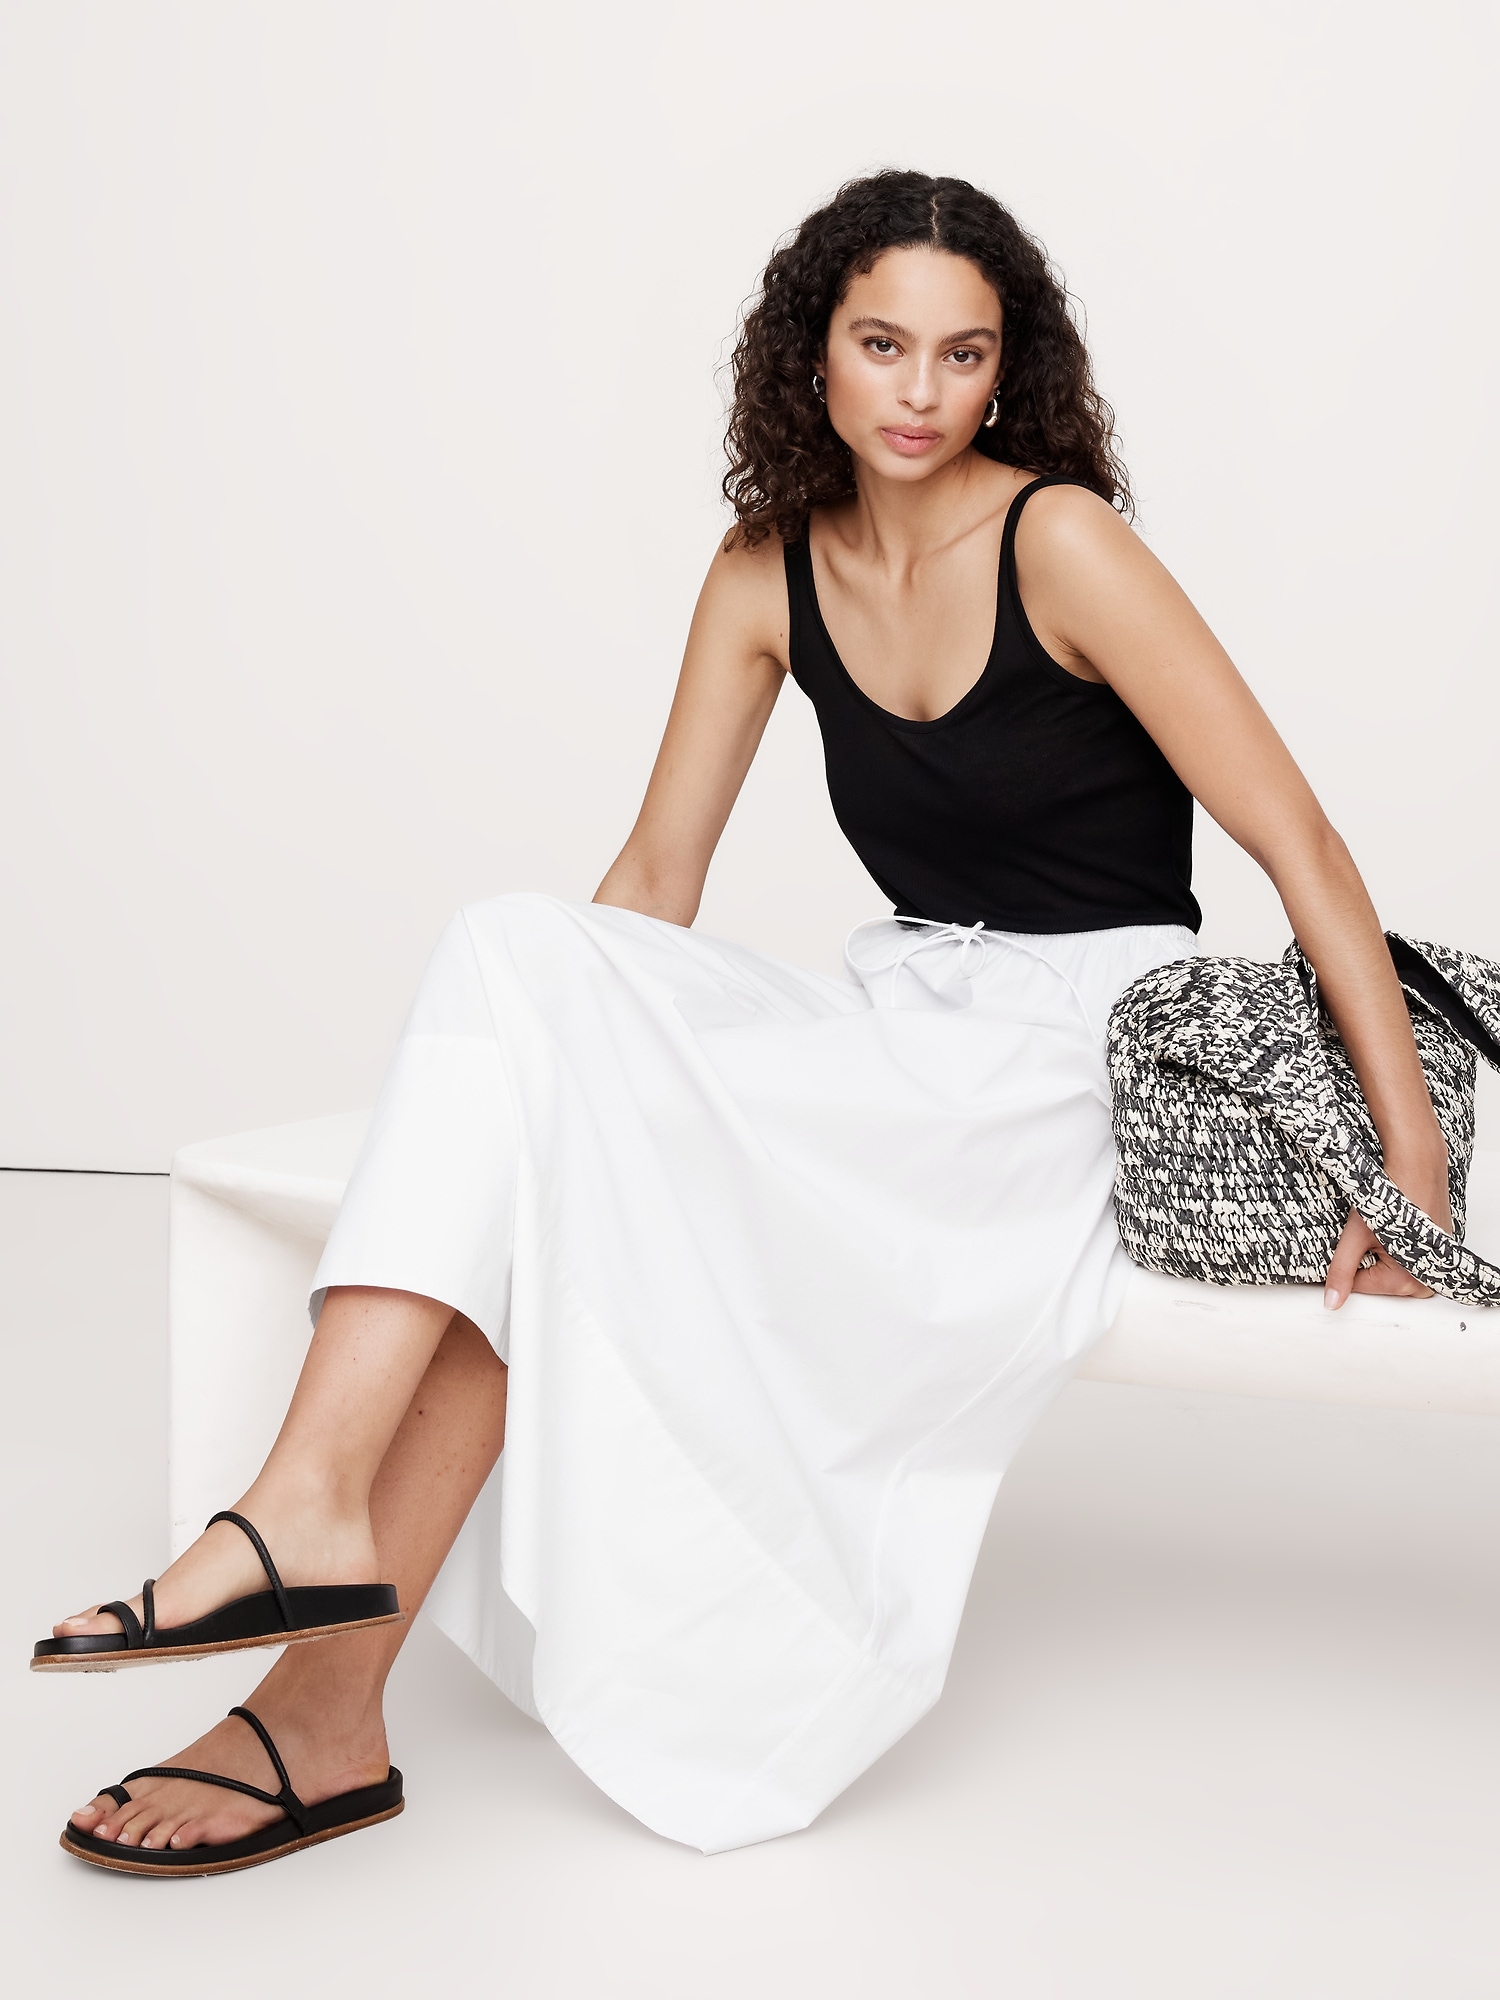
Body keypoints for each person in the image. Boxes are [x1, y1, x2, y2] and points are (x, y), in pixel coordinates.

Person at [45, 169, 1451, 1867]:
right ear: (814, 355)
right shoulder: (763, 571)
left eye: (962, 354)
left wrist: (1411, 1167)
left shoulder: (1062, 541)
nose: (920, 393)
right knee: (523, 984)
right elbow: (651, 880)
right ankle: (311, 1570)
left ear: (1006, 371)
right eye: (881, 345)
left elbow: (1299, 841)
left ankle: (312, 1664)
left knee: (561, 1110)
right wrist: (555, 1062)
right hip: (900, 1013)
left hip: (1061, 1063)